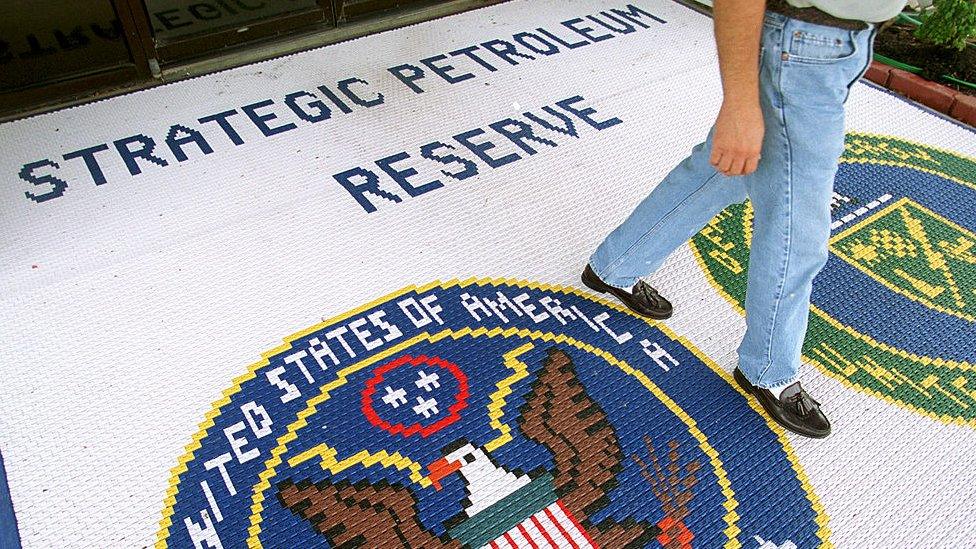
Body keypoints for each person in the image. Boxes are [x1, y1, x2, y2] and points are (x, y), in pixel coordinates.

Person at [582, 0, 908, 438]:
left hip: (826, 47)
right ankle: (768, 369)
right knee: (796, 227)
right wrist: (739, 104)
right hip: (804, 48)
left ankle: (615, 265)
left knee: (728, 168)